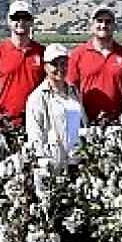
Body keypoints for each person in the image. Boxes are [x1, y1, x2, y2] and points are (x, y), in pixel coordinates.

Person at [66, 6, 122, 124]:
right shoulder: (78, 54)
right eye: (99, 21)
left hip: (118, 122)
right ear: (91, 25)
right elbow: (71, 90)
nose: (103, 25)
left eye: (108, 21)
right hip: (86, 122)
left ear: (114, 26)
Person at [0, 0, 45, 136]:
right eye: (16, 18)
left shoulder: (42, 53)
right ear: (9, 21)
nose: (21, 22)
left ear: (31, 21)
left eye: (25, 18)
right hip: (6, 123)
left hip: (37, 122)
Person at [25, 44, 83, 172]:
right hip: (53, 162)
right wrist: (43, 162)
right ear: (45, 67)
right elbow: (35, 134)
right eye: (54, 64)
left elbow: (82, 122)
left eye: (63, 63)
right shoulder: (38, 97)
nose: (60, 68)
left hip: (77, 160)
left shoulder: (74, 92)